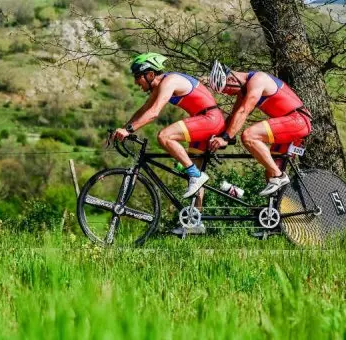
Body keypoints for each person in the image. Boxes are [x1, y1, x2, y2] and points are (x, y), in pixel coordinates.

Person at [112, 53, 226, 234]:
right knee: (194, 174)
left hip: (209, 119)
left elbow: (154, 112)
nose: (135, 82)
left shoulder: (169, 81)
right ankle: (194, 222)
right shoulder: (161, 85)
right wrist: (125, 128)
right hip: (204, 120)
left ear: (150, 75)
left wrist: (129, 130)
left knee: (165, 136)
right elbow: (144, 109)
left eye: (137, 77)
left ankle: (196, 175)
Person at [207, 61, 312, 196]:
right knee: (270, 175)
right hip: (289, 126)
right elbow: (234, 116)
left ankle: (279, 176)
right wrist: (218, 135)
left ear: (232, 79)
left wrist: (226, 137)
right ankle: (277, 213)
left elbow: (244, 111)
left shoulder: (258, 79)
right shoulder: (243, 91)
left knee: (249, 136)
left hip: (298, 121)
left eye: (226, 89)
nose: (228, 94)